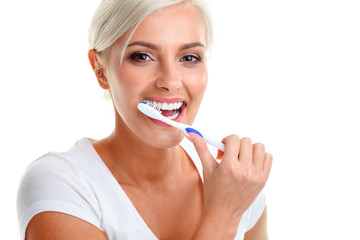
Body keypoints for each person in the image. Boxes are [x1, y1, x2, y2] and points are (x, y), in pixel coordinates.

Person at [17, 0, 273, 239]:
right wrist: (223, 217)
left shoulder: (239, 183)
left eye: (189, 58)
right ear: (100, 70)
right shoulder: (61, 184)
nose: (171, 82)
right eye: (142, 56)